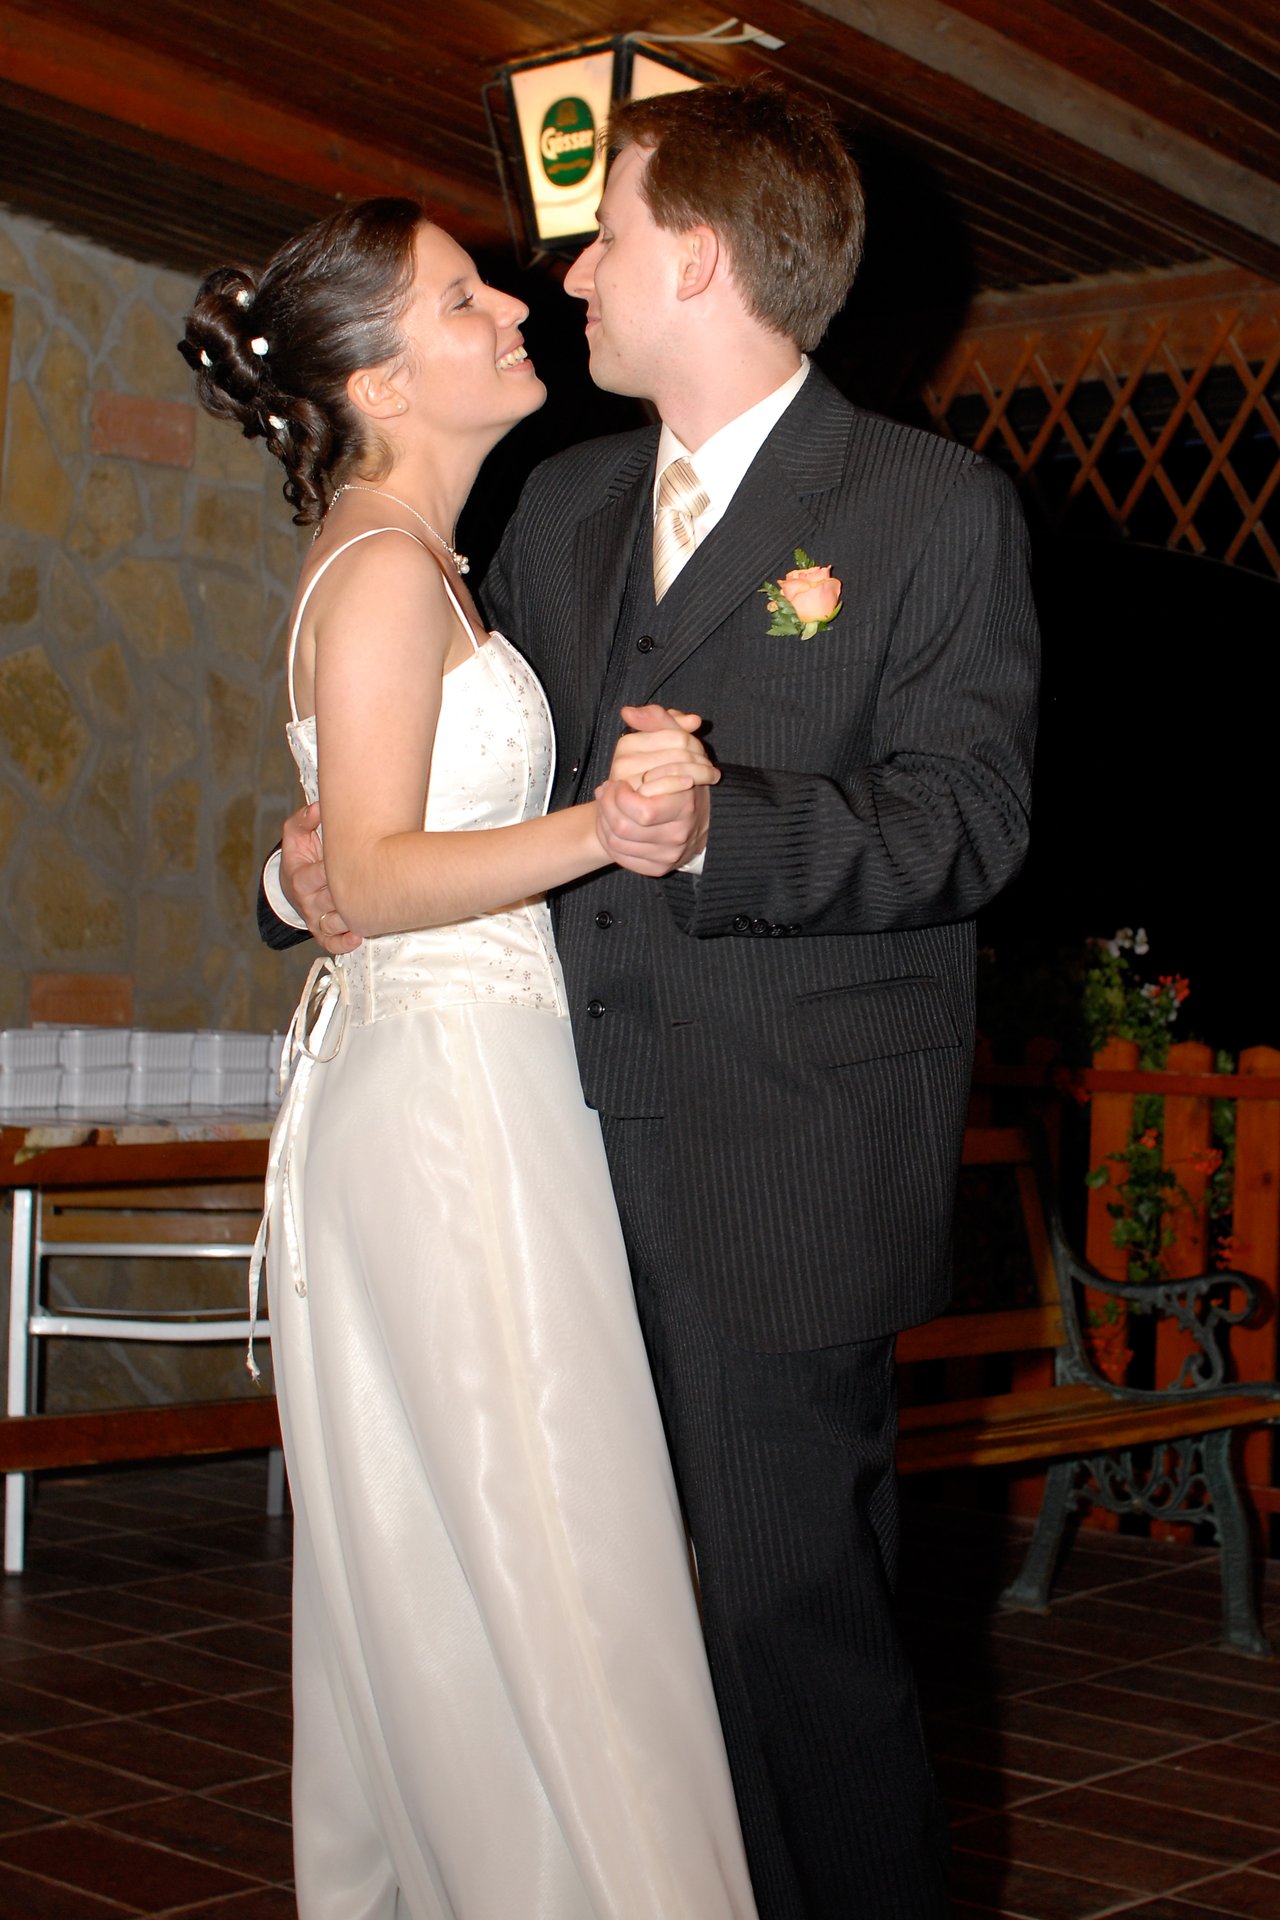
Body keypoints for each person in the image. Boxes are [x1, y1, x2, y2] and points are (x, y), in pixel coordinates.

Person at [266, 82, 1040, 1918]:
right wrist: (297, 872)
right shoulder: (564, 505)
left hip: (781, 1173)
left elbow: (970, 819)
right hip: (534, 1165)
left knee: (788, 1638)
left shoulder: (928, 508)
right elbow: (458, 784)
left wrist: (717, 831)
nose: (572, 274)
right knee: (617, 1648)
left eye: (603, 234)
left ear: (695, 256)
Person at [183, 198, 761, 1920]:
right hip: (445, 1118)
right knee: (541, 1553)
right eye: (459, 298)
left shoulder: (427, 559)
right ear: (375, 374)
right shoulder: (375, 568)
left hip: (485, 1092)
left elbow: (341, 858)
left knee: (518, 1554)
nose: (510, 303)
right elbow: (360, 871)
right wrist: (610, 823)